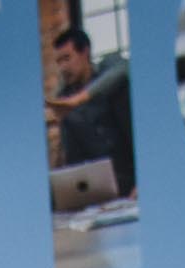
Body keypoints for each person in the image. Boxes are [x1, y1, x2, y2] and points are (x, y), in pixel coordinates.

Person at [46, 25, 133, 193]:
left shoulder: (108, 67)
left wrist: (79, 99)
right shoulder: (65, 97)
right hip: (100, 185)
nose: (63, 67)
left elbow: (124, 69)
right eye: (59, 62)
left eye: (67, 58)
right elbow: (73, 158)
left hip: (131, 174)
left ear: (85, 52)